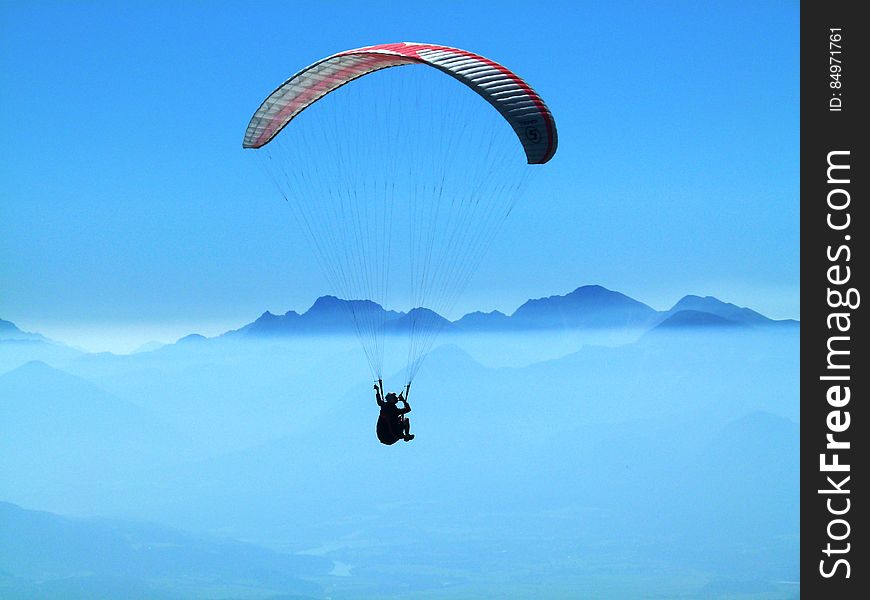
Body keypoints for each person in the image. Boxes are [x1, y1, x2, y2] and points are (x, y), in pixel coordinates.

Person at [375, 380, 414, 444]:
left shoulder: (384, 406)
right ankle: (406, 435)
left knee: (401, 420)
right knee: (406, 420)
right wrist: (403, 400)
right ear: (392, 400)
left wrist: (377, 391)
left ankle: (405, 435)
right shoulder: (394, 410)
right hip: (390, 436)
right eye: (395, 397)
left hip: (382, 436)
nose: (397, 398)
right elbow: (408, 409)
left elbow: (379, 401)